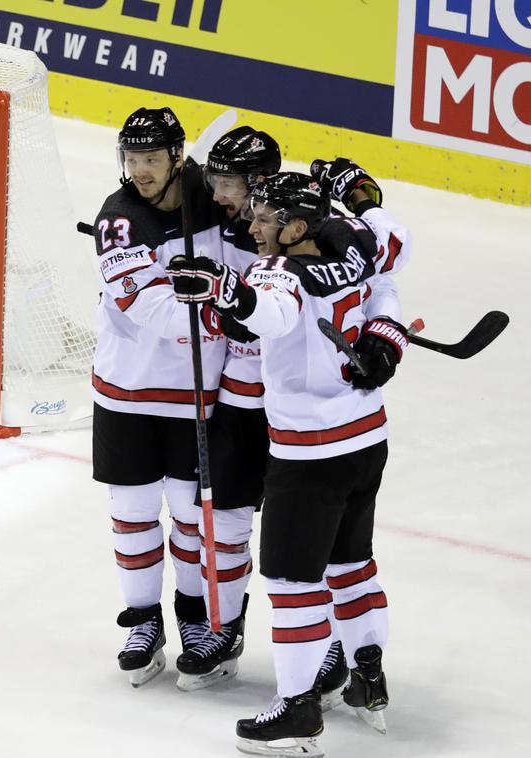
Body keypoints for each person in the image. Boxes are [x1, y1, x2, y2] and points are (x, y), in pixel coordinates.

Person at [167, 173, 401, 755]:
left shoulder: (279, 272)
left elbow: (267, 311)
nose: (252, 226)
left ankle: (297, 710)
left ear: (297, 228)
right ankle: (369, 679)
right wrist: (385, 336)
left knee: (293, 583)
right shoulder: (352, 244)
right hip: (366, 437)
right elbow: (390, 254)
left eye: (266, 219)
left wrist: (228, 292)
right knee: (351, 567)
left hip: (310, 453)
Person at [89, 106, 238, 689]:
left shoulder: (213, 196)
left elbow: (267, 230)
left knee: (189, 517)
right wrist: (219, 314)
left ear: (178, 156)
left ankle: (195, 619)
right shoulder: (119, 219)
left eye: (151, 158)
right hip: (127, 389)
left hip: (195, 395)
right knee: (131, 516)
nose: (139, 170)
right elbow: (143, 305)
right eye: (131, 158)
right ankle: (144, 621)